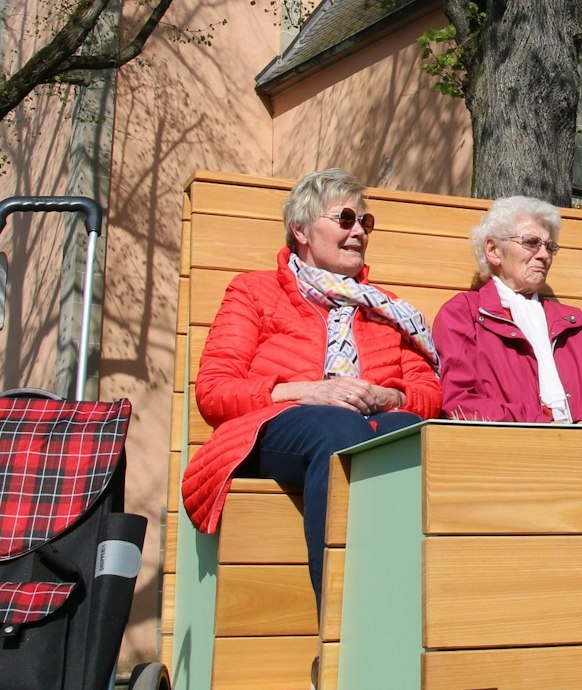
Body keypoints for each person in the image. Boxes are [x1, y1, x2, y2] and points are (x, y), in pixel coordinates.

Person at [179, 168, 441, 606]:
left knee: (404, 432)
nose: (358, 231)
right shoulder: (254, 291)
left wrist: (390, 396)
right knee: (340, 430)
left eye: (365, 222)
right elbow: (215, 390)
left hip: (371, 427)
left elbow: (429, 393)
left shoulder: (388, 309)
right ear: (300, 229)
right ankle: (342, 628)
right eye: (344, 219)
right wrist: (309, 391)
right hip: (271, 430)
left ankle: (405, 616)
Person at [434, 196, 582, 424]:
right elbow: (460, 402)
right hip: (509, 452)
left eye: (550, 246)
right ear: (493, 250)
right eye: (531, 242)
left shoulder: (571, 323)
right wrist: (542, 425)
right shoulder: (463, 314)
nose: (545, 255)